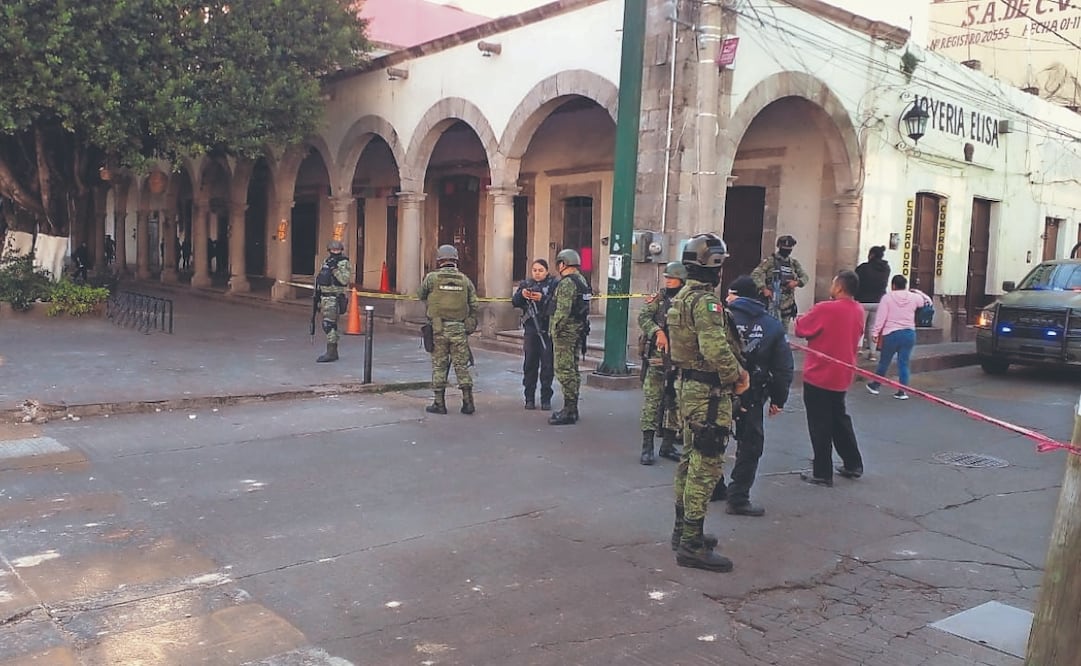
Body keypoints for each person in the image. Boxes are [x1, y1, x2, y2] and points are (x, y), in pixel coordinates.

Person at [666, 233, 750, 572]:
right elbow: (716, 349)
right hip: (709, 395)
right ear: (712, 265)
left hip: (689, 388)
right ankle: (691, 544)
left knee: (689, 460)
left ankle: (682, 531)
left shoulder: (683, 297)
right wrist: (738, 376)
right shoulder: (705, 302)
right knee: (705, 465)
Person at [719, 275, 794, 516]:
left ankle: (713, 487)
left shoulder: (718, 318)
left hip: (716, 391)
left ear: (737, 295)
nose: (727, 297)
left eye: (730, 294)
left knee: (711, 439)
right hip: (752, 394)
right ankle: (738, 497)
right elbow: (783, 368)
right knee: (750, 445)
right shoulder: (771, 325)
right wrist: (778, 399)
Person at [794, 270, 865, 486]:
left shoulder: (826, 308)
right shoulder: (859, 310)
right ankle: (853, 463)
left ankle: (822, 472)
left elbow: (800, 328)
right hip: (842, 373)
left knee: (820, 423)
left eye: (834, 283)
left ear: (840, 288)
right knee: (839, 418)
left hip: (820, 373)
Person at [419, 244, 479, 415]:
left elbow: (420, 294)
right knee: (462, 366)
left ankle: (439, 404)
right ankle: (468, 403)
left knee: (439, 366)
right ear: (456, 260)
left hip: (438, 329)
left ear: (439, 260)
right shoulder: (465, 280)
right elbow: (474, 304)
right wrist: (470, 322)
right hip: (459, 329)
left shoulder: (432, 278)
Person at [637, 261, 686, 465]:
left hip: (680, 359)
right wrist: (657, 332)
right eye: (666, 277)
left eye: (671, 278)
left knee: (674, 404)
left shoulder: (688, 300)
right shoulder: (659, 298)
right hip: (657, 358)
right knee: (652, 402)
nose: (668, 281)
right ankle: (647, 447)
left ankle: (668, 445)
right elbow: (643, 317)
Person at [866, 274, 931, 400]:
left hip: (891, 333)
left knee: (884, 362)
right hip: (909, 333)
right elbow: (927, 301)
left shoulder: (887, 298)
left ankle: (875, 385)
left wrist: (875, 333)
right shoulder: (914, 297)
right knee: (904, 363)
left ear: (893, 285)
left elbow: (881, 317)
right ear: (905, 285)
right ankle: (902, 391)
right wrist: (917, 291)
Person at [547, 248, 592, 426]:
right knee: (573, 369)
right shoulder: (582, 280)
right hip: (578, 330)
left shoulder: (566, 283)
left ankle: (569, 409)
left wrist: (554, 330)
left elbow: (562, 311)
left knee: (564, 370)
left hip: (565, 333)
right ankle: (572, 407)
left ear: (562, 264)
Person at [511, 259, 558, 410]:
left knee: (547, 366)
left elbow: (557, 305)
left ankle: (546, 399)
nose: (537, 273)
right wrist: (522, 294)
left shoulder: (553, 285)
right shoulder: (526, 284)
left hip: (547, 330)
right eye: (535, 270)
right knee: (530, 364)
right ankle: (529, 398)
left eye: (540, 270)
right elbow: (515, 302)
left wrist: (542, 299)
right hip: (531, 330)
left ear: (546, 271)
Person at [751, 235, 809, 331]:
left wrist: (797, 282)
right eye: (784, 248)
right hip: (772, 301)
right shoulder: (770, 261)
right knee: (772, 329)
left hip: (788, 303)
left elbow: (805, 277)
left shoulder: (793, 263)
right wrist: (763, 289)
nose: (786, 250)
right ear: (779, 247)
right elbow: (755, 274)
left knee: (784, 332)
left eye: (789, 248)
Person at [313, 239, 352, 363]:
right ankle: (332, 351)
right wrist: (318, 297)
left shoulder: (343, 262)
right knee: (328, 324)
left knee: (329, 325)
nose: (335, 252)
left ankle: (331, 352)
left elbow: (344, 280)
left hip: (334, 297)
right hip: (324, 297)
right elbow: (321, 278)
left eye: (337, 250)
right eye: (333, 250)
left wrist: (334, 269)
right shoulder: (326, 261)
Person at [855, 245, 891, 361]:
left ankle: (858, 349)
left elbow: (856, 283)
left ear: (871, 255)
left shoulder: (863, 268)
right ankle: (872, 353)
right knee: (873, 328)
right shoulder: (886, 269)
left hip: (863, 301)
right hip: (878, 302)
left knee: (860, 326)